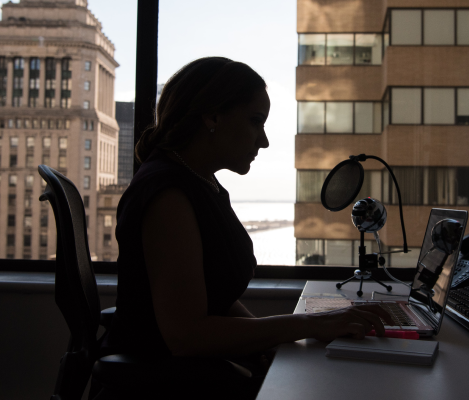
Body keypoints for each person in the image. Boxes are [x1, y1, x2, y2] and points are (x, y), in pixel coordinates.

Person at [105, 57, 394, 397]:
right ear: (212, 116)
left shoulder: (201, 184)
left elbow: (217, 298)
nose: (264, 141)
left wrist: (270, 343)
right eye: (256, 121)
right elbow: (186, 336)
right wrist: (308, 325)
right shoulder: (168, 196)